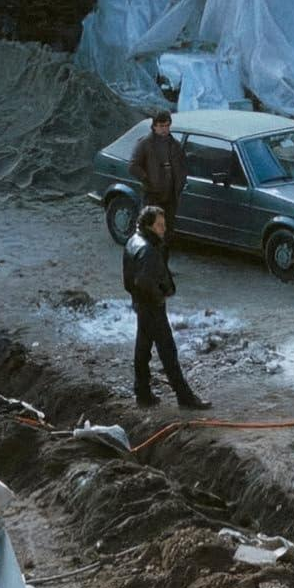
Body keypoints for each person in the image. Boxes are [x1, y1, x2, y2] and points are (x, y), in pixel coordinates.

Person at [123, 205, 211, 410]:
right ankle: (185, 398)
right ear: (149, 226)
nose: (164, 229)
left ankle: (143, 393)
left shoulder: (134, 241)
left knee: (143, 348)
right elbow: (144, 281)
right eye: (160, 225)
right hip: (151, 306)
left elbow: (134, 280)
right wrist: (159, 297)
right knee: (167, 352)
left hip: (141, 303)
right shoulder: (148, 249)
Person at [129, 110, 188, 255]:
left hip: (170, 197)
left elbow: (183, 166)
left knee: (167, 232)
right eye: (161, 126)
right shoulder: (145, 143)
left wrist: (180, 183)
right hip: (152, 196)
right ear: (154, 126)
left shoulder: (175, 145)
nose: (164, 129)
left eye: (167, 126)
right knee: (149, 231)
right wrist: (147, 180)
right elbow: (133, 166)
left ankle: (163, 263)